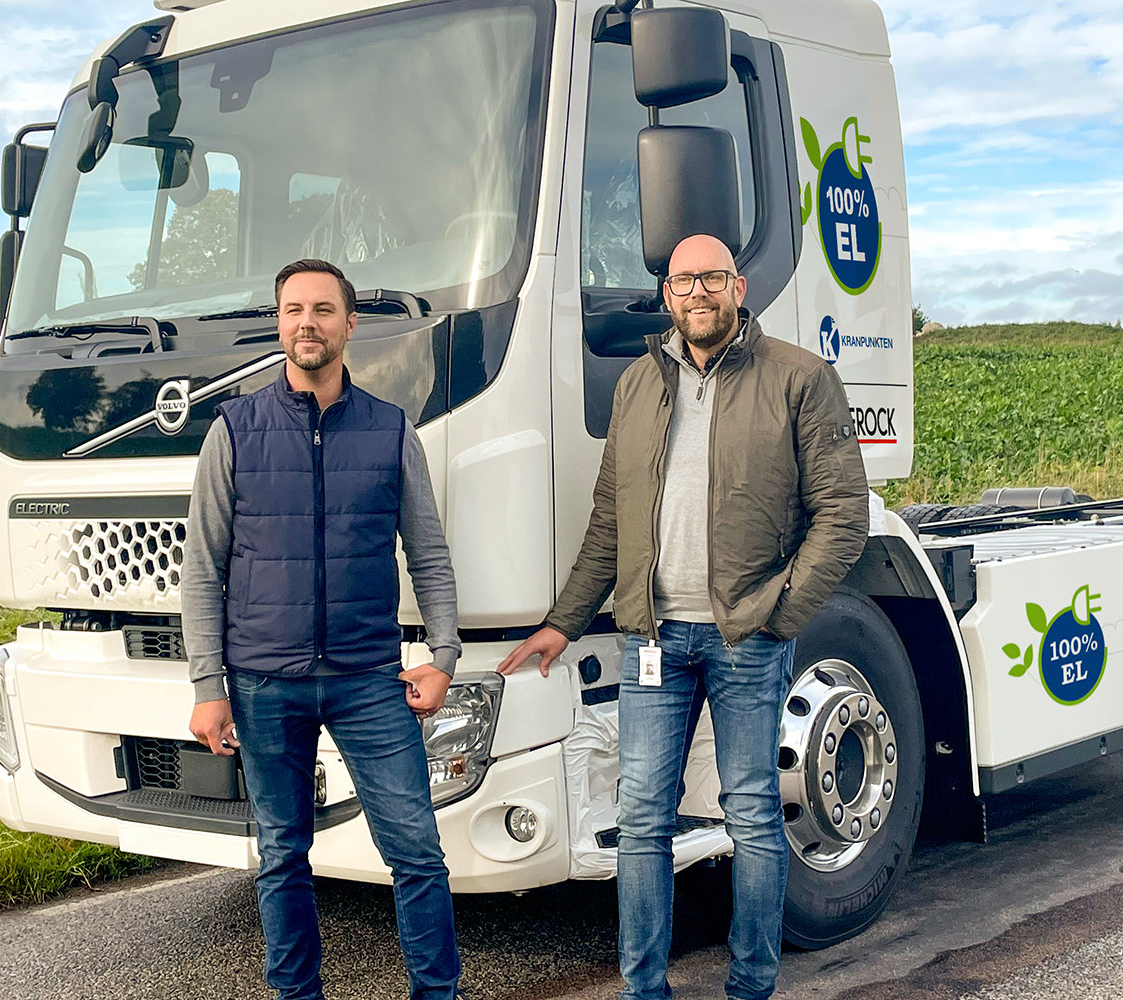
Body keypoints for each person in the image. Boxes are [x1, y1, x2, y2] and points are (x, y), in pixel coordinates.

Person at [497, 235, 869, 1000]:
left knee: (753, 814)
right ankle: (645, 990)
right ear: (666, 295)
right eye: (682, 281)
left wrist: (780, 614)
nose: (697, 292)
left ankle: (750, 985)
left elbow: (843, 515)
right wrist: (564, 621)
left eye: (712, 278)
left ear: (738, 287)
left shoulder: (800, 377)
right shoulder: (639, 383)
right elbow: (610, 518)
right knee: (642, 820)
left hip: (747, 638)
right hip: (653, 640)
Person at [183, 258, 463, 1000]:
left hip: (368, 680)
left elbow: (428, 553)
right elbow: (202, 570)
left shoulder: (390, 430)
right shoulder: (234, 430)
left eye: (323, 310)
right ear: (280, 323)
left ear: (349, 325)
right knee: (282, 857)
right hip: (262, 683)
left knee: (417, 853)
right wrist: (208, 686)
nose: (307, 323)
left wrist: (443, 655)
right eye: (293, 310)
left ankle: (438, 994)